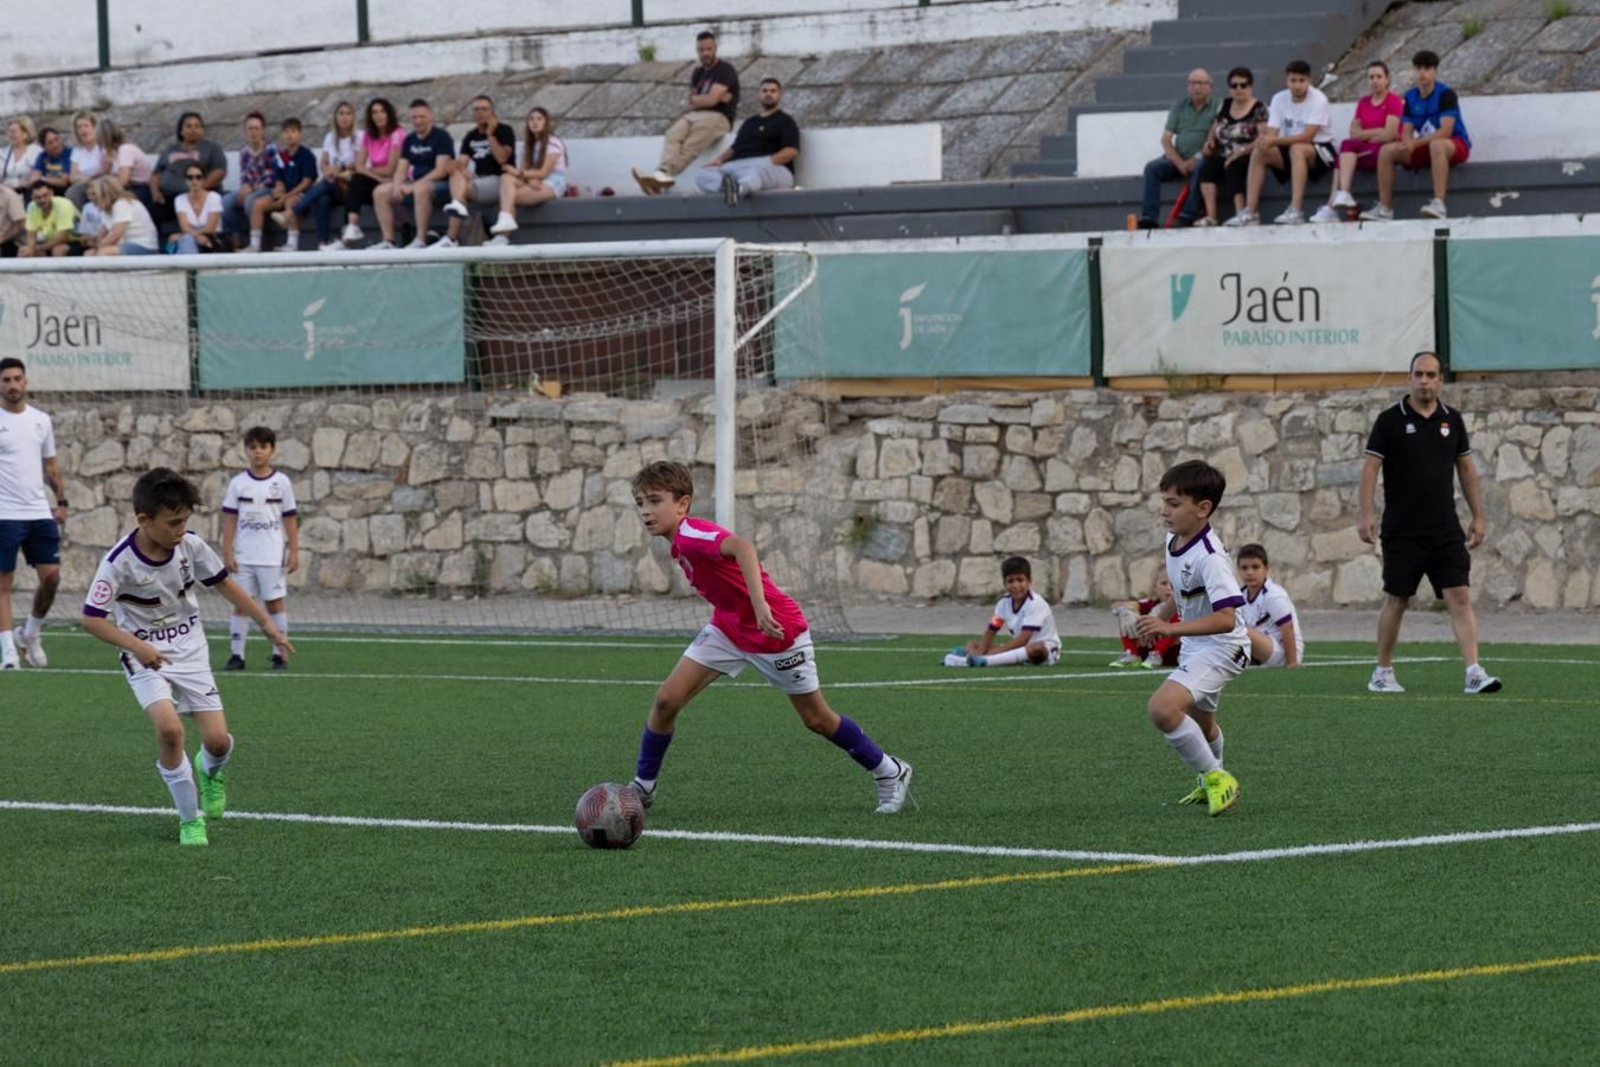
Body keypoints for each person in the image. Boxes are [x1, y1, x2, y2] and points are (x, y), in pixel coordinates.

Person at [626, 460, 914, 814]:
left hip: (776, 633)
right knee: (667, 700)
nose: (646, 511)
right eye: (640, 503)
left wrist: (760, 606)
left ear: (682, 504)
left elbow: (743, 546)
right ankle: (643, 787)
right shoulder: (678, 542)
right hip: (728, 629)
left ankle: (890, 770)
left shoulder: (692, 535)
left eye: (655, 501)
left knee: (817, 720)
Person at [81, 468, 293, 847]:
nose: (181, 529)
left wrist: (266, 625)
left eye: (185, 521)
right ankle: (190, 819)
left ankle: (210, 770)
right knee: (170, 730)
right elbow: (91, 619)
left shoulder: (191, 547)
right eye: (173, 522)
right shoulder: (117, 563)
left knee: (217, 743)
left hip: (190, 649)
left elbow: (226, 583)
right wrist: (136, 645)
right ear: (144, 520)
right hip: (144, 654)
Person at [1359, 351, 1500, 695]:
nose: (1424, 381)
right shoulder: (1390, 420)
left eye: (1431, 375)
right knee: (1397, 599)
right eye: (1419, 374)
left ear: (1440, 380)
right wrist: (1366, 514)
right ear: (1410, 378)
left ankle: (1473, 672)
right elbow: (1370, 469)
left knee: (1460, 596)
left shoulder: (1452, 420)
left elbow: (1466, 469)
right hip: (1402, 531)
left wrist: (1479, 516)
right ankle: (1382, 672)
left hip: (1445, 531)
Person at [1133, 460, 1246, 817]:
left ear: (1203, 509)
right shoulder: (1174, 539)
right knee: (1202, 724)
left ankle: (1216, 778)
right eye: (1164, 501)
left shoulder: (1210, 557)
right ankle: (1210, 782)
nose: (1164, 511)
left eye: (1173, 504)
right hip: (1199, 646)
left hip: (1222, 647)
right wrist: (1157, 618)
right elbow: (1183, 594)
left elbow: (1227, 619)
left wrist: (1170, 629)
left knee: (1163, 709)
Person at [0, 358, 68, 671]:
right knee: (4, 583)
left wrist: (62, 500)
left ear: (25, 382)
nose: (12, 385)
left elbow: (50, 466)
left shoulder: (41, 420)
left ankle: (29, 633)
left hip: (39, 511)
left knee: (52, 577)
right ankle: (8, 654)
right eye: (6, 380)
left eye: (17, 379)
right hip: (4, 514)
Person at [220, 426, 299, 671]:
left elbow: (289, 518)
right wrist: (227, 551)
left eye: (263, 447)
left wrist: (294, 550)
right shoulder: (238, 483)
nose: (258, 452)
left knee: (274, 604)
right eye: (252, 447)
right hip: (244, 556)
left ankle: (279, 653)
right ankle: (237, 655)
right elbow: (230, 519)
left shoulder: (281, 482)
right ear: (246, 450)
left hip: (272, 556)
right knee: (242, 604)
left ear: (272, 451)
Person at [1363, 50, 1471, 222]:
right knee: (1387, 150)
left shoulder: (1445, 94)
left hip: (1454, 144)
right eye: (1418, 68)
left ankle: (1439, 204)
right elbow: (1406, 129)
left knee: (1438, 144)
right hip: (1425, 145)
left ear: (1435, 71)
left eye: (1427, 68)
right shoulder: (1411, 96)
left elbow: (1446, 131)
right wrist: (1407, 143)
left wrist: (1416, 142)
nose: (1422, 73)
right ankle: (1385, 208)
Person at [1230, 59, 1336, 226]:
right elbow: (1272, 132)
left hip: (1321, 150)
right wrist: (1265, 141)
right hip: (1291, 146)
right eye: (1293, 80)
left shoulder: (1318, 99)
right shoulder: (1279, 98)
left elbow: (1308, 136)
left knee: (1297, 149)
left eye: (1302, 81)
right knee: (1261, 151)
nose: (1297, 85)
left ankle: (1296, 210)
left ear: (1309, 81)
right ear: (1286, 80)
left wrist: (1274, 140)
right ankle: (1250, 211)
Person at [633, 30, 739, 195]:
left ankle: (662, 177)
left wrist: (703, 99)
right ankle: (661, 175)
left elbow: (710, 101)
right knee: (672, 134)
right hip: (695, 114)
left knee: (690, 146)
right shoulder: (697, 72)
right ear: (697, 50)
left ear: (715, 48)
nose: (705, 53)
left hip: (718, 117)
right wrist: (710, 98)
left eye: (709, 49)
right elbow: (694, 100)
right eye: (702, 50)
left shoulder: (725, 69)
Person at [1312, 60, 1403, 223]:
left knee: (1345, 151)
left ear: (1387, 79)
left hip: (1382, 153)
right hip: (1365, 151)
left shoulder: (1393, 101)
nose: (1375, 80)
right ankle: (1341, 196)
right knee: (1346, 145)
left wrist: (1365, 134)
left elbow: (1390, 133)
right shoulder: (1363, 102)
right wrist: (1376, 132)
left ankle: (1333, 204)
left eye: (1379, 76)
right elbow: (1353, 132)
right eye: (1371, 77)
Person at [694, 78, 800, 206]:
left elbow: (792, 151)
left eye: (773, 91)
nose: (768, 94)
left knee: (754, 172)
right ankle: (730, 189)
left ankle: (738, 189)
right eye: (764, 91)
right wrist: (719, 160)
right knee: (703, 174)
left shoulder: (785, 121)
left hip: (773, 168)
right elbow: (735, 148)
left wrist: (766, 162)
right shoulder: (750, 122)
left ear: (779, 94)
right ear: (759, 94)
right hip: (741, 166)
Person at [941, 555, 1061, 668]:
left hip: (1045, 652)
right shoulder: (1003, 603)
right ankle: (971, 659)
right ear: (1004, 584)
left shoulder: (1035, 603)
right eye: (1010, 581)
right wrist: (980, 650)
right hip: (1020, 649)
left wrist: (993, 652)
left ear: (1029, 581)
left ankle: (985, 661)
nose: (1015, 585)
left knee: (1037, 648)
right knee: (972, 644)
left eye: (1020, 580)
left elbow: (1023, 639)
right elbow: (992, 629)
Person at [1138, 69, 1218, 228]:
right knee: (1152, 168)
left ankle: (1187, 215)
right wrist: (1180, 163)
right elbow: (1166, 139)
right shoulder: (1179, 106)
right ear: (1188, 86)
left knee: (1203, 166)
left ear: (1210, 86)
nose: (1197, 87)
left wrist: (1197, 157)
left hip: (1205, 156)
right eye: (1193, 83)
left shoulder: (1218, 105)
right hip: (1179, 158)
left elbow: (1215, 137)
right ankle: (1149, 217)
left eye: (1201, 83)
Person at [372, 99, 454, 250]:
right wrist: (397, 185)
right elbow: (401, 168)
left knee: (420, 189)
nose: (418, 121)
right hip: (415, 184)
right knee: (380, 192)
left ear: (430, 117)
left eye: (421, 117)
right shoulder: (409, 139)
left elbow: (440, 171)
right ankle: (389, 241)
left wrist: (415, 185)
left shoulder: (441, 136)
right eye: (414, 117)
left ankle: (420, 238)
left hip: (441, 186)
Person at [1195, 67, 1268, 227]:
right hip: (1224, 152)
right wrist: (1210, 142)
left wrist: (1240, 152)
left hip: (1248, 152)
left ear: (1251, 87)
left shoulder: (1259, 108)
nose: (1239, 89)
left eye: (1243, 85)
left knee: (1233, 166)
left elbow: (1263, 137)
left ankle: (1241, 212)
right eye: (1234, 86)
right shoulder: (1225, 105)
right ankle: (1211, 216)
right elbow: (1215, 128)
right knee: (1207, 168)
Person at [439, 94, 514, 248]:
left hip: (498, 180)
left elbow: (502, 159)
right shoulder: (471, 136)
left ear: (492, 112)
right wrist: (453, 165)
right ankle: (457, 205)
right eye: (476, 110)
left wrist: (490, 135)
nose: (480, 113)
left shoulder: (504, 130)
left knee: (461, 191)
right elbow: (463, 163)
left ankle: (451, 236)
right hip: (478, 179)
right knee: (456, 172)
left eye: (484, 109)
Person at [487, 106, 567, 242]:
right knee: (506, 177)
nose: (535, 122)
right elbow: (524, 171)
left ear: (546, 123)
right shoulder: (529, 145)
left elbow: (543, 172)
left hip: (553, 182)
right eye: (531, 119)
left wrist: (522, 174)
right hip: (533, 180)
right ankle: (505, 220)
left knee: (511, 197)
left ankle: (502, 237)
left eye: (539, 119)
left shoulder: (553, 143)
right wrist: (528, 180)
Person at [292, 100, 361, 250]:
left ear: (353, 117)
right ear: (335, 117)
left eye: (348, 113)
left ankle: (294, 211)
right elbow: (323, 162)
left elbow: (357, 163)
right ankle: (323, 243)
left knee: (327, 184)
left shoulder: (359, 136)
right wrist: (328, 171)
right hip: (332, 183)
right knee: (323, 199)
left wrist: (338, 168)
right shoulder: (330, 137)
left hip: (350, 183)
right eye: (341, 113)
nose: (344, 117)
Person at [340, 98, 404, 246]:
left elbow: (390, 169)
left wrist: (368, 171)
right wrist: (377, 177)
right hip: (379, 181)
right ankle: (351, 228)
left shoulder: (397, 133)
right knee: (355, 182)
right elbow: (358, 165)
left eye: (382, 111)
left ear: (389, 114)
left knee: (357, 182)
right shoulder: (369, 135)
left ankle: (351, 231)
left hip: (395, 182)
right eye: (374, 112)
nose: (378, 115)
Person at [150, 112, 226, 228]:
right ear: (181, 130)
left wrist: (197, 188)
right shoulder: (170, 150)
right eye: (189, 126)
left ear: (202, 130)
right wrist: (155, 192)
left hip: (199, 196)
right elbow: (157, 174)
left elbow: (219, 172)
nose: (193, 130)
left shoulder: (212, 148)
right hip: (169, 197)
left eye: (197, 126)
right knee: (149, 209)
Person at [251, 117, 317, 252]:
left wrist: (287, 196)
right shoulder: (280, 156)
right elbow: (279, 179)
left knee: (290, 202)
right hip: (285, 193)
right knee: (258, 204)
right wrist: (279, 190)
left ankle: (292, 244)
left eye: (293, 131)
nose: (289, 135)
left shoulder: (307, 155)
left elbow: (307, 182)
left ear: (300, 134)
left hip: (301, 194)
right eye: (286, 132)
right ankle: (254, 244)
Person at [1236, 544, 1303, 668]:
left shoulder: (1273, 595)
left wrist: (1292, 663)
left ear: (1266, 569)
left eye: (1255, 567)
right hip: (1262, 648)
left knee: (1238, 629)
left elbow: (1287, 628)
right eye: (1244, 568)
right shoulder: (1241, 595)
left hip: (1283, 652)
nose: (1249, 572)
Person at [222, 112, 274, 250]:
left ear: (262, 130)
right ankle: (235, 236)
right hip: (250, 187)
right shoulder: (244, 151)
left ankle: (258, 243)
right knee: (226, 201)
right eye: (250, 128)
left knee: (250, 201)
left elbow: (271, 177)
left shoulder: (271, 150)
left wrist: (252, 189)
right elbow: (244, 175)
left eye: (256, 128)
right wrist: (244, 188)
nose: (253, 132)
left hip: (267, 188)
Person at [1109, 572, 1181, 669]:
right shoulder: (1149, 603)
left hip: (1175, 651)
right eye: (1164, 583)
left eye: (1172, 584)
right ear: (1154, 587)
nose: (1168, 588)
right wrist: (1129, 611)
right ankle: (1131, 653)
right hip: (1147, 649)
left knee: (1175, 613)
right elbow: (1118, 606)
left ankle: (1158, 653)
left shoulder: (1185, 604)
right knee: (1126, 614)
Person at [84, 176, 159, 255]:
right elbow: (102, 233)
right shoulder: (106, 208)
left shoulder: (122, 204)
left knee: (104, 252)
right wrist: (97, 247)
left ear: (105, 193)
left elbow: (116, 235)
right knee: (89, 253)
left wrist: (100, 248)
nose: (91, 198)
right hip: (125, 245)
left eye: (94, 194)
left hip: (144, 245)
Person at [168, 163, 225, 254]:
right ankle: (190, 266)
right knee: (187, 240)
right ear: (185, 180)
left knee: (186, 239)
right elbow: (185, 226)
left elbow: (210, 228)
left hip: (212, 239)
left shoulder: (214, 197)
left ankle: (189, 266)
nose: (194, 180)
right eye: (190, 177)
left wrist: (184, 235)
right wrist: (196, 236)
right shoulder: (179, 199)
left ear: (204, 179)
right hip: (192, 238)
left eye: (198, 177)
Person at [99, 120, 155, 208]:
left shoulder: (125, 149)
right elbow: (105, 175)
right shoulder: (113, 152)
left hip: (141, 188)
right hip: (130, 187)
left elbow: (123, 181)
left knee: (110, 200)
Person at [19, 179, 77, 258]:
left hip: (76, 241)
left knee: (58, 250)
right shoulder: (32, 206)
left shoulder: (64, 205)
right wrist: (30, 248)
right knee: (24, 251)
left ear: (51, 193)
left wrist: (37, 249)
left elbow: (63, 237)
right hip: (49, 241)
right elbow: (31, 234)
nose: (42, 200)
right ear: (32, 197)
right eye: (38, 197)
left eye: (45, 195)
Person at [64, 112, 106, 208]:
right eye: (79, 127)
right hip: (85, 185)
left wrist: (86, 177)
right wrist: (87, 179)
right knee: (71, 193)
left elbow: (105, 170)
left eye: (86, 126)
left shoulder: (102, 146)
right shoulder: (77, 150)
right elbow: (72, 177)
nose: (83, 130)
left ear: (94, 128)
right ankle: (81, 219)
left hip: (103, 182)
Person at [1, 118, 41, 199]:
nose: (10, 135)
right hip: (5, 194)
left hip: (27, 193)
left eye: (14, 132)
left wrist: (17, 186)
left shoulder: (36, 151)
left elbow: (35, 177)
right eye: (9, 131)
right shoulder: (3, 153)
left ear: (25, 134)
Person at [31, 127, 72, 195]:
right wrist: (54, 178)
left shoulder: (70, 153)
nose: (56, 144)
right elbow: (35, 178)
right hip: (47, 190)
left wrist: (44, 179)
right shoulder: (42, 156)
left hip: (65, 190)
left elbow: (65, 181)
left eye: (57, 139)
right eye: (50, 143)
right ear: (44, 146)